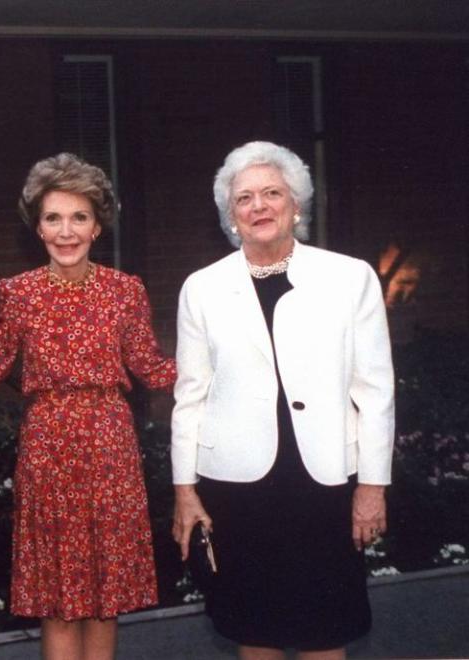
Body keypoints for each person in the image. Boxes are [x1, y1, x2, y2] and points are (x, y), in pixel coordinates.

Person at [171, 141, 395, 660]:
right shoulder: (201, 288)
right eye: (245, 197)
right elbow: (190, 397)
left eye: (272, 193)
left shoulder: (350, 277)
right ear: (231, 214)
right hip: (239, 488)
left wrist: (373, 488)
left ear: (297, 203)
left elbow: (376, 391)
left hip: (324, 482)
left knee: (325, 630)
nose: (259, 206)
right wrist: (185, 491)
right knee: (256, 630)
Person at [0, 153, 177, 660]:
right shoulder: (18, 293)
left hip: (110, 450)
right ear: (37, 227)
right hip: (49, 450)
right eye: (53, 218)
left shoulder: (125, 291)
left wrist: (220, 366)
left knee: (105, 599)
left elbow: (153, 368)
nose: (66, 231)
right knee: (57, 600)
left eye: (79, 217)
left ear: (98, 225)